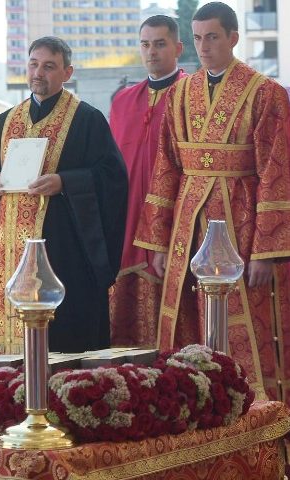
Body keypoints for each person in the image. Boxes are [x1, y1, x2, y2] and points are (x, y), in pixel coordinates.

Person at [134, 2, 290, 404]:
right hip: (187, 224)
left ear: (233, 38)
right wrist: (157, 242)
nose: (203, 47)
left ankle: (250, 418)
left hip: (239, 223)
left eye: (213, 37)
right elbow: (166, 168)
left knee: (244, 327)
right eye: (198, 38)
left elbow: (275, 174)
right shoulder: (179, 93)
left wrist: (266, 252)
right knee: (187, 320)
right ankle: (191, 414)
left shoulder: (265, 92)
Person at [0, 36, 128, 354]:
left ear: (66, 72)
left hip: (65, 254)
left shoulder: (87, 120)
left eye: (48, 66)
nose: (38, 73)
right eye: (33, 64)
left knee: (62, 345)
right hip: (9, 249)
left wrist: (65, 182)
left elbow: (112, 178)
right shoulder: (6, 121)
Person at [108, 15, 186, 348]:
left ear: (178, 48)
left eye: (159, 43)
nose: (151, 52)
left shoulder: (190, 96)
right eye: (145, 44)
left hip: (173, 224)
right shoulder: (123, 101)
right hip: (125, 224)